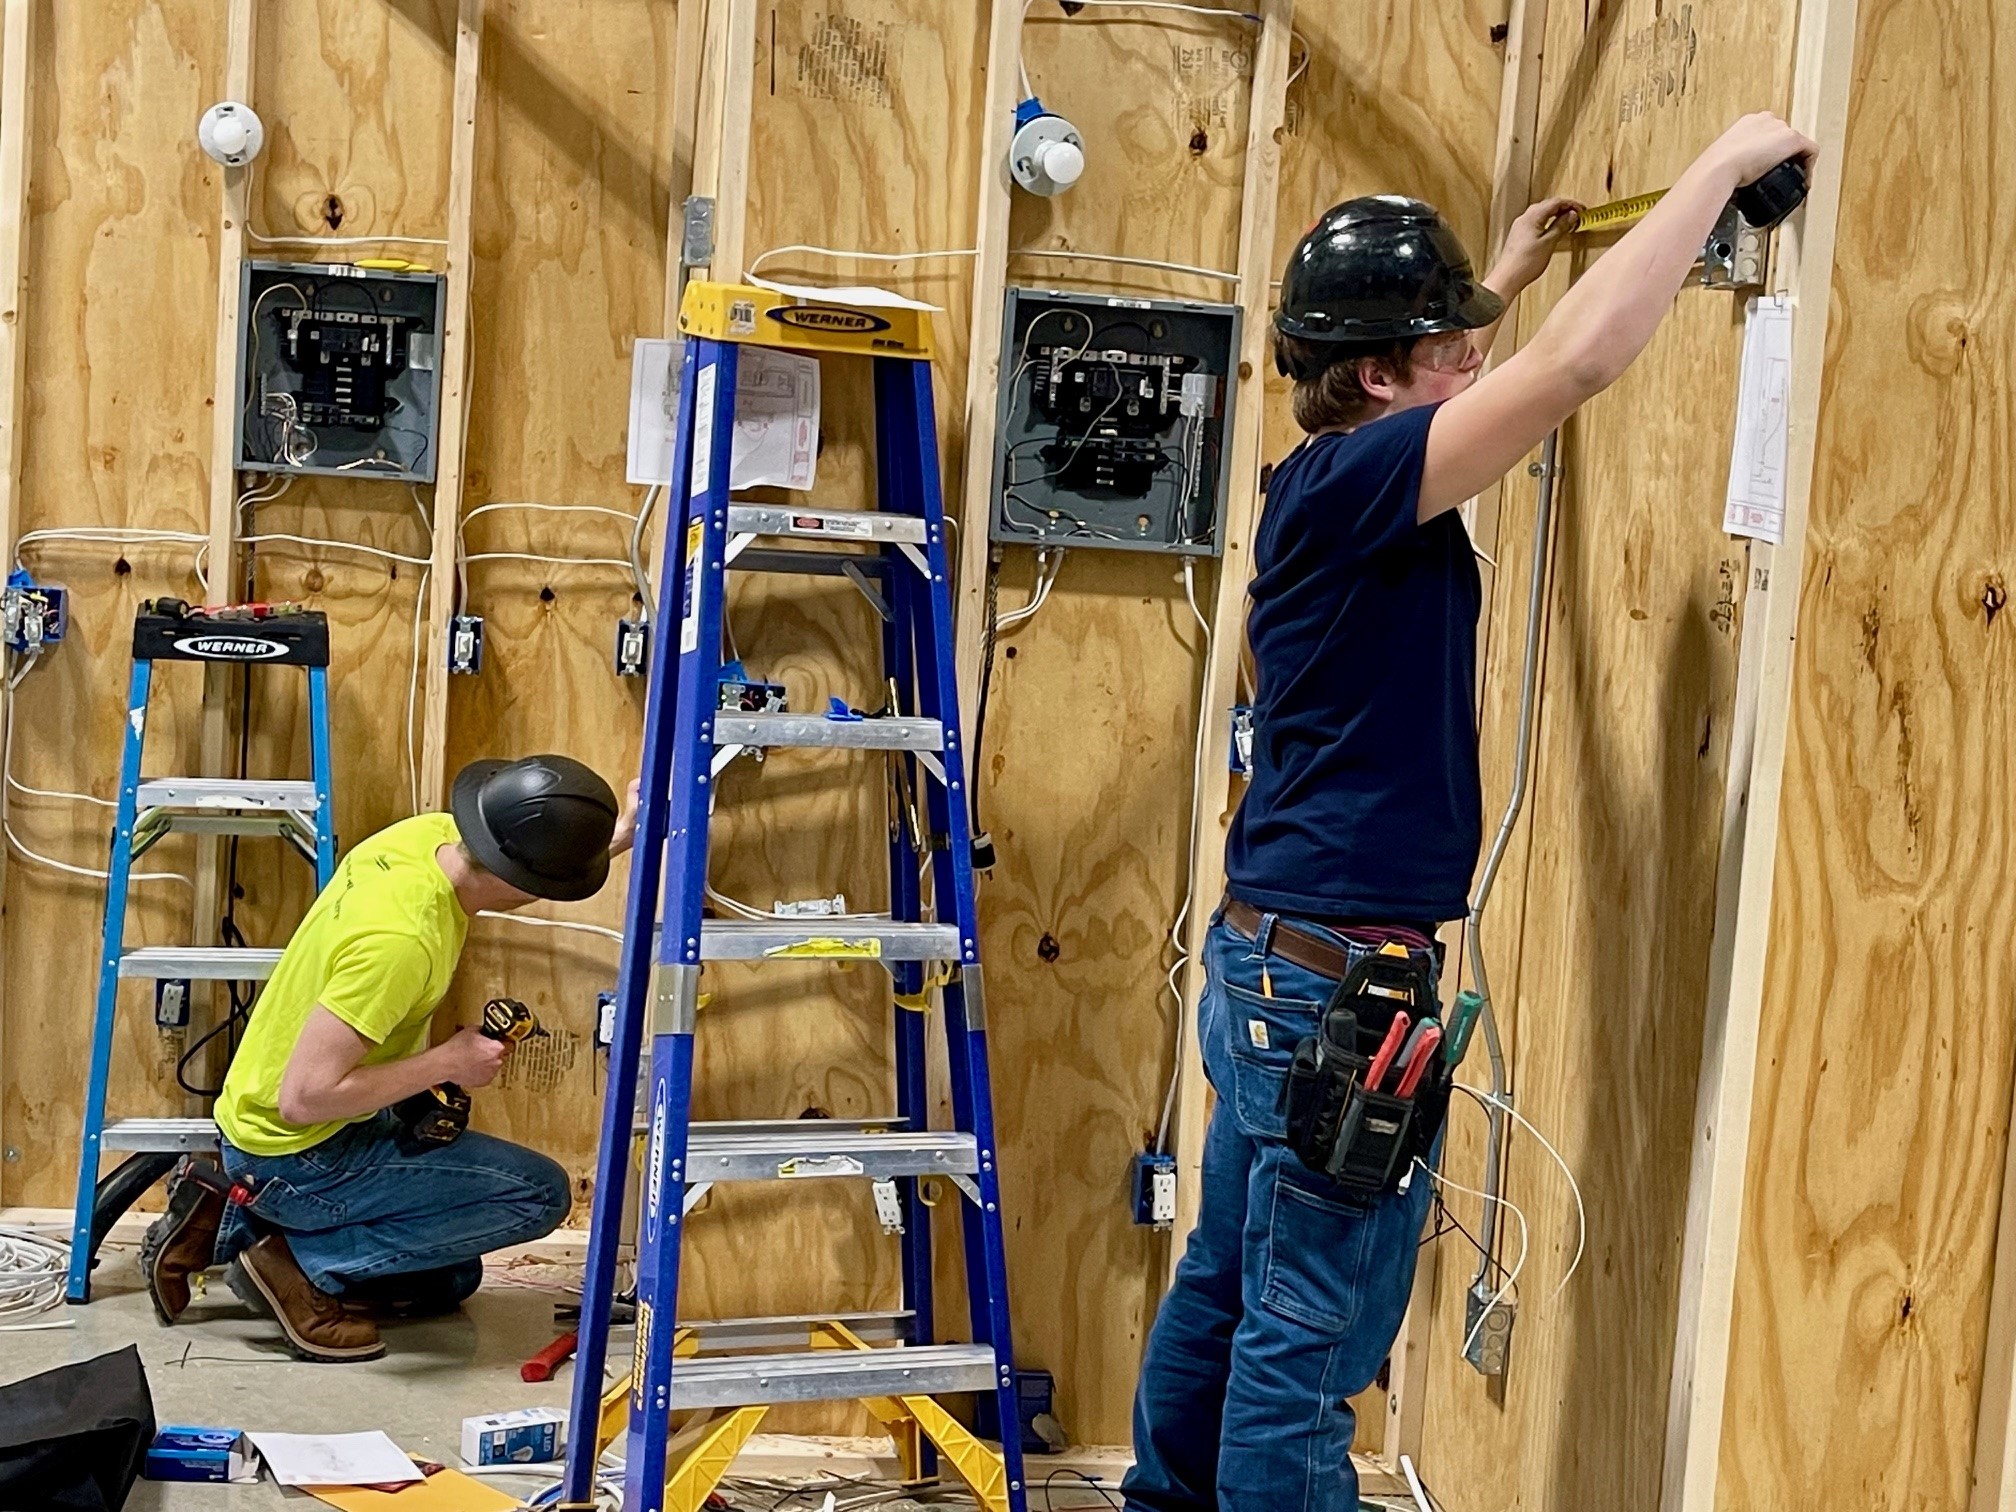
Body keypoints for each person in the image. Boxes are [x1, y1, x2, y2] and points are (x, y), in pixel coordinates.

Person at [1120, 112, 1818, 1512]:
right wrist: (1720, 166)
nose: (1477, 358)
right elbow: (1575, 368)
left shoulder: (1322, 477)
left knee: (1232, 1284)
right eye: (1449, 347)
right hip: (1332, 985)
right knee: (1310, 1343)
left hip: (1277, 961)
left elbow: (1472, 364)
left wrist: (1499, 273)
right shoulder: (1366, 480)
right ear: (1380, 376)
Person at [140, 754, 639, 1363]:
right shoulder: (401, 941)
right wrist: (448, 1062)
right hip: (298, 1148)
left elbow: (514, 864)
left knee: (450, 1280)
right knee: (538, 1195)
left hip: (265, 1116)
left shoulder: (425, 839)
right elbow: (305, 1099)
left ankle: (225, 1218)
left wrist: (611, 840)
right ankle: (295, 1265)